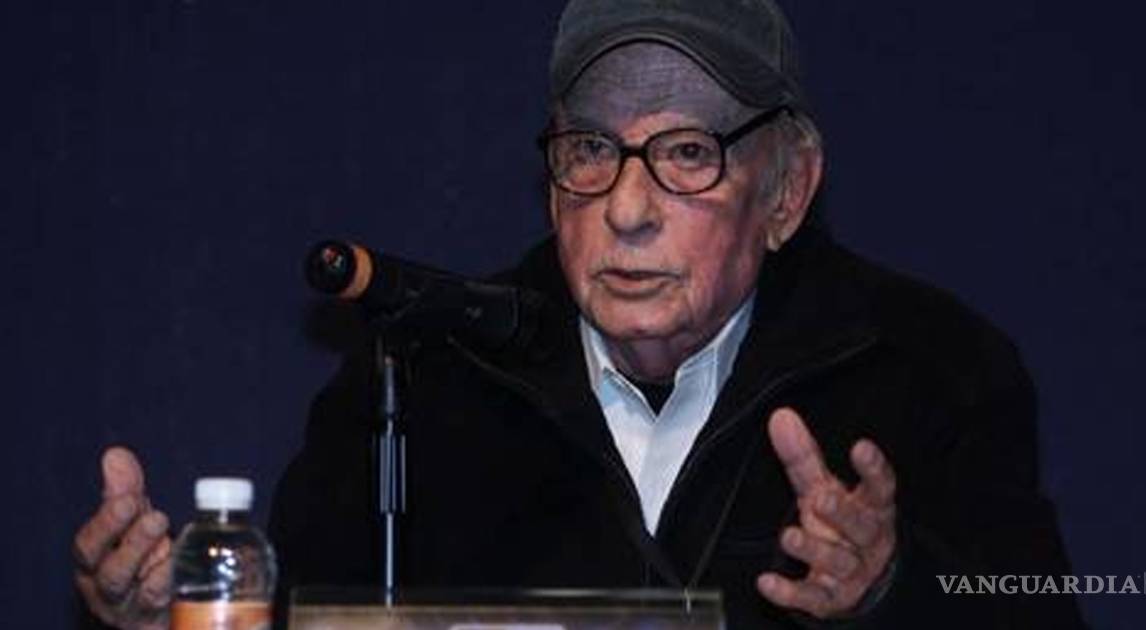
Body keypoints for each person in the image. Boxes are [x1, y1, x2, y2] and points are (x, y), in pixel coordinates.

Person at [73, 1, 1083, 628]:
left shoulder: (929, 369)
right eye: (593, 150)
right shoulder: (424, 372)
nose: (627, 209)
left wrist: (892, 590)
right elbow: (290, 616)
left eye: (686, 153)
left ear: (786, 190)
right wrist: (169, 620)